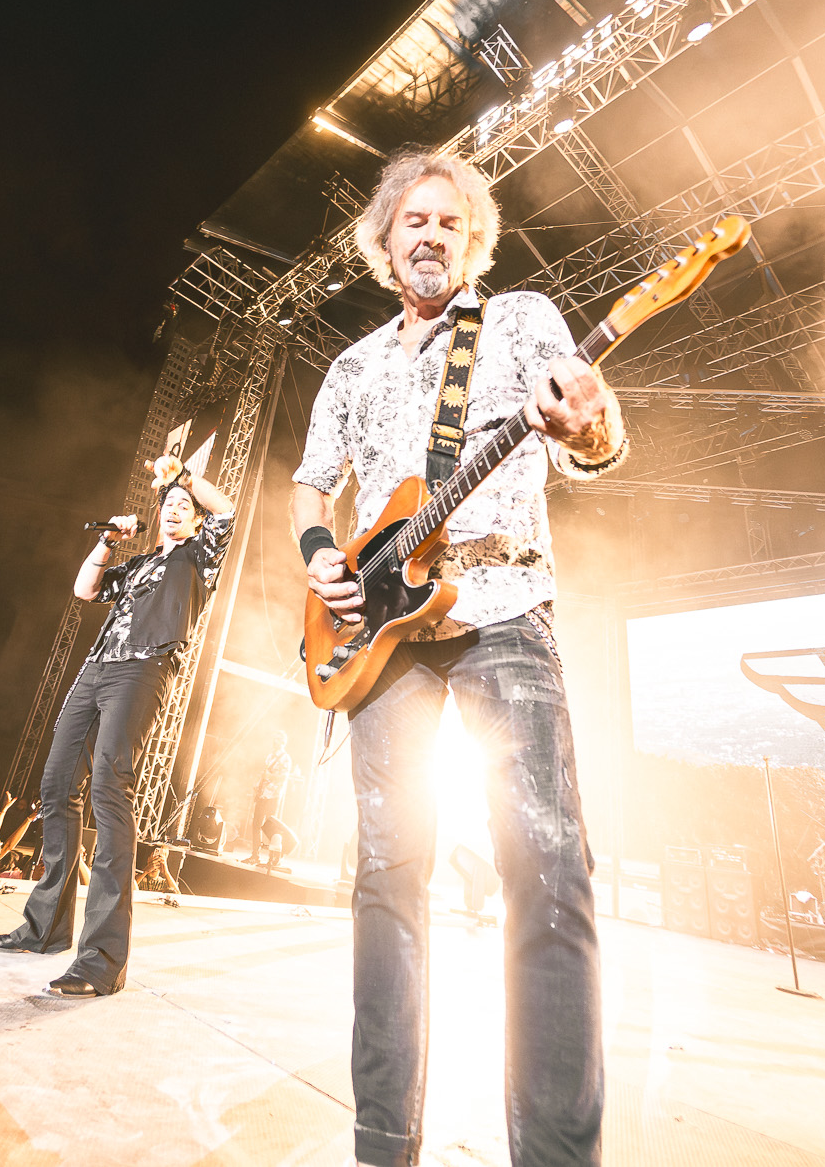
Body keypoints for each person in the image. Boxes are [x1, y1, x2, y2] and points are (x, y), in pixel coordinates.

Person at [289, 148, 624, 1167]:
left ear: (471, 240)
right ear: (384, 243)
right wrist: (322, 555)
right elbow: (311, 483)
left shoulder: (518, 319)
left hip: (502, 607)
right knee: (386, 876)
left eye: (448, 221)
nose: (430, 234)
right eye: (413, 221)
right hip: (382, 639)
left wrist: (591, 426)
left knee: (548, 866)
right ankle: (381, 1144)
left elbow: (586, 436)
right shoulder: (352, 368)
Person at [0, 454, 235, 998]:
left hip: (143, 669)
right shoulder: (139, 563)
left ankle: (101, 960)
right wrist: (108, 543)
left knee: (108, 787)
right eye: (168, 504)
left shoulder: (198, 555)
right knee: (56, 785)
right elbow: (84, 590)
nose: (174, 510)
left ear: (194, 519)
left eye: (183, 506)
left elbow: (227, 510)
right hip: (96, 668)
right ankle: (43, 929)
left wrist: (182, 478)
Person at [243, 730, 294, 866]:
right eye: (274, 739)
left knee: (271, 827)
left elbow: (284, 778)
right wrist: (257, 786)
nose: (274, 741)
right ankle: (255, 855)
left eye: (277, 739)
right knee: (256, 824)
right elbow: (264, 774)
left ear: (283, 742)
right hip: (263, 794)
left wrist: (269, 777)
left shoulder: (285, 758)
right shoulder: (270, 756)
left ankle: (273, 857)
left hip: (273, 795)